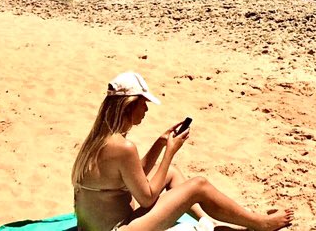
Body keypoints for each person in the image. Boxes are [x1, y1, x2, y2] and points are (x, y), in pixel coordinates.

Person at [72, 72, 294, 231]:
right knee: (198, 185)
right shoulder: (123, 147)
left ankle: (210, 224)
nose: (147, 109)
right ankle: (259, 223)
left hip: (94, 226)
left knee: (172, 172)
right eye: (144, 103)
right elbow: (147, 198)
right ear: (130, 105)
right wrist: (170, 152)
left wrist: (159, 144)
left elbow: (130, 174)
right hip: (118, 229)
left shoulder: (98, 140)